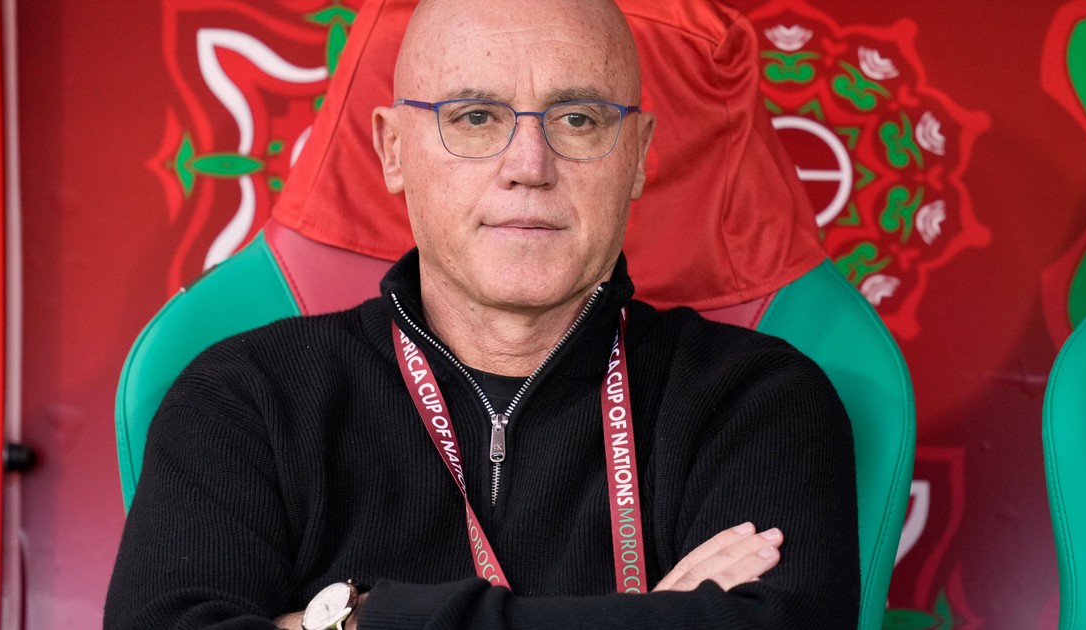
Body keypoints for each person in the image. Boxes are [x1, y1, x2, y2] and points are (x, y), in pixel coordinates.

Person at [104, 0, 859, 627]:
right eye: (473, 117)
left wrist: (359, 620)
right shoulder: (245, 399)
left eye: (579, 119)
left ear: (637, 155)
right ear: (392, 151)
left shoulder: (757, 400)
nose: (529, 166)